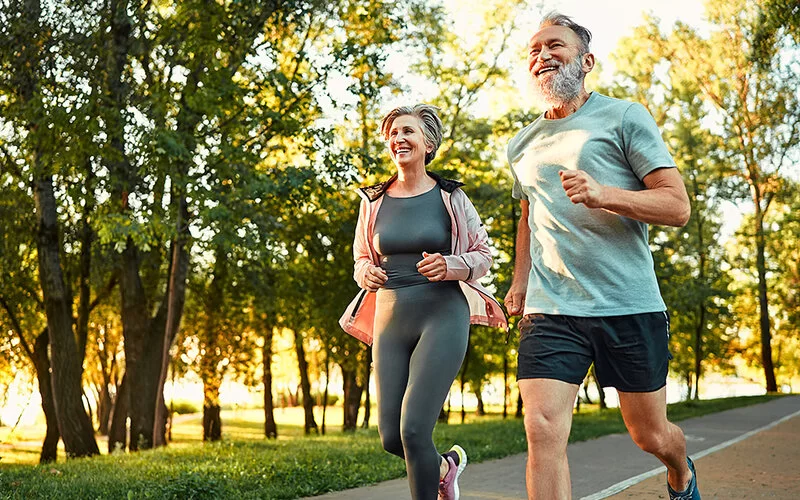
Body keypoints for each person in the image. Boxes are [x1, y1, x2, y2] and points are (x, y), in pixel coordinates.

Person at [504, 12, 701, 500]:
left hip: (626, 302)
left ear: (586, 60)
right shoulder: (521, 144)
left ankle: (681, 471)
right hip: (551, 309)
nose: (542, 55)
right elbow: (529, 215)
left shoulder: (624, 116)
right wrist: (520, 279)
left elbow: (677, 207)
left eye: (555, 45)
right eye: (534, 50)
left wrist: (605, 194)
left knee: (650, 436)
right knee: (542, 430)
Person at [339, 104, 507, 500]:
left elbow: (483, 255)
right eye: (394, 133)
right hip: (390, 317)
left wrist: (450, 264)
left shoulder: (451, 196)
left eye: (408, 131)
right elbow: (361, 258)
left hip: (442, 313)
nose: (399, 139)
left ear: (428, 143)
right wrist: (366, 274)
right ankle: (445, 466)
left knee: (414, 430)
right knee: (391, 437)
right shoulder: (373, 200)